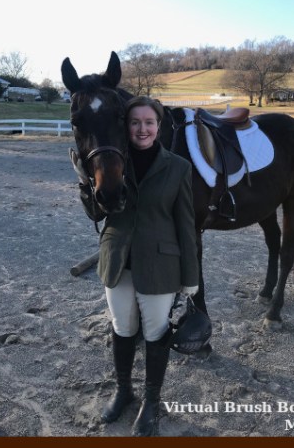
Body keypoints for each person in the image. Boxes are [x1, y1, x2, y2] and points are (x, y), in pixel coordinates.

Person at [70, 96, 199, 436]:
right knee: (122, 327)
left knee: (156, 332)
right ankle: (123, 390)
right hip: (117, 259)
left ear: (158, 126)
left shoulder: (178, 167)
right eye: (135, 122)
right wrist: (84, 183)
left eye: (149, 122)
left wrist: (191, 277)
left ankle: (151, 401)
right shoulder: (110, 158)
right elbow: (97, 213)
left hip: (160, 264)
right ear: (125, 126)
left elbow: (186, 225)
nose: (142, 129)